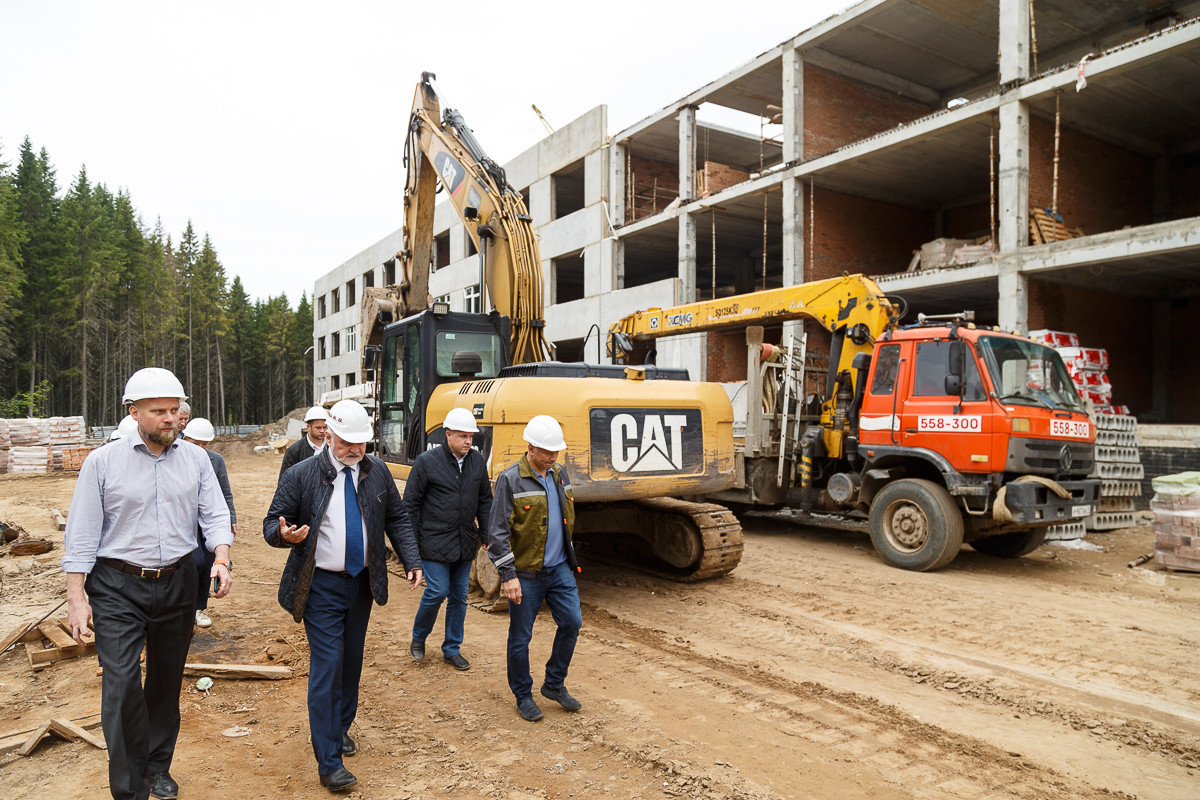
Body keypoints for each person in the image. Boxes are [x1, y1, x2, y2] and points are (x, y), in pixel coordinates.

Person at [63, 368, 233, 800]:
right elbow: (81, 533)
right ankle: (130, 787)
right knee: (120, 687)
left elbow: (214, 513)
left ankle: (158, 767)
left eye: (175, 411)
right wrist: (76, 597)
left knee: (165, 681)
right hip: (117, 587)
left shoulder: (196, 460)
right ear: (134, 412)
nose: (170, 419)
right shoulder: (103, 463)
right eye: (159, 411)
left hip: (178, 582)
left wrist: (222, 557)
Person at [264, 399, 423, 792]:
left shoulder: (377, 471)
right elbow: (271, 522)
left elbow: (397, 517)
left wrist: (412, 558)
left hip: (362, 585)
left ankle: (340, 727)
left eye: (362, 444)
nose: (354, 451)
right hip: (320, 585)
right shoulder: (302, 473)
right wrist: (284, 535)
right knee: (328, 665)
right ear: (328, 434)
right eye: (347, 443)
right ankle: (329, 761)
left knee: (351, 662)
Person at [485, 414, 582, 722]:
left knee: (572, 623)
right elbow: (497, 532)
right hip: (525, 574)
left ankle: (553, 684)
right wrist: (508, 576)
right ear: (530, 447)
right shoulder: (510, 479)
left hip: (559, 569)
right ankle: (523, 695)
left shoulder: (560, 473)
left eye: (556, 451)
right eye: (547, 451)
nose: (553, 457)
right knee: (520, 637)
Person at [404, 407, 493, 670]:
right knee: (436, 591)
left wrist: (486, 531)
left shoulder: (477, 461)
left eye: (471, 436)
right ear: (448, 434)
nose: (468, 441)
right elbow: (409, 505)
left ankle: (452, 648)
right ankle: (419, 638)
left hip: (464, 541)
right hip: (433, 541)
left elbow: (485, 500)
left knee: (459, 597)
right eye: (463, 436)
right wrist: (409, 547)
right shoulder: (426, 462)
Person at [182, 418, 237, 629]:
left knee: (206, 562)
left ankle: (199, 608)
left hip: (208, 520)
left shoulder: (215, 460)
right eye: (196, 444)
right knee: (190, 562)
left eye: (205, 444)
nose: (201, 448)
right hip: (183, 519)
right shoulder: (175, 457)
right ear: (185, 438)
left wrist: (231, 518)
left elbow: (224, 491)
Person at [279, 405, 329, 479]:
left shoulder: (331, 447)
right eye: (318, 428)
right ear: (308, 427)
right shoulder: (294, 451)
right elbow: (285, 481)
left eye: (325, 427)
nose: (322, 431)